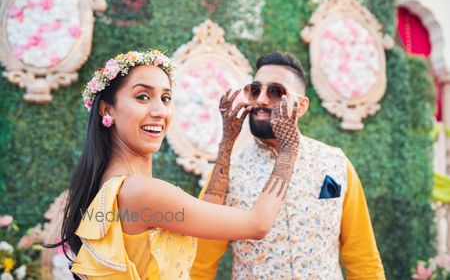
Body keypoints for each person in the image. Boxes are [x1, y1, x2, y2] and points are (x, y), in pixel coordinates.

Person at [49, 49, 301, 280]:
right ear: (107, 110)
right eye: (143, 96)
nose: (160, 111)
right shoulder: (142, 193)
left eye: (166, 98)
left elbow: (205, 214)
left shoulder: (113, 186)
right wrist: (289, 151)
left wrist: (226, 145)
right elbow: (257, 224)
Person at [191, 51, 385, 279]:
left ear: (301, 106)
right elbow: (199, 263)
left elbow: (363, 260)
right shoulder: (227, 172)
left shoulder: (335, 164)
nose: (261, 100)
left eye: (275, 92)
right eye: (255, 90)